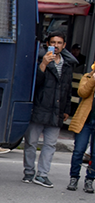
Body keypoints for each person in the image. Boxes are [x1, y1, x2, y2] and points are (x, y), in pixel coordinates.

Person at [23, 32, 77, 188]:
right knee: (31, 142)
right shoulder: (40, 59)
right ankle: (29, 171)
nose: (56, 45)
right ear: (48, 44)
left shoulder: (67, 64)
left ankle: (42, 174)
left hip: (56, 109)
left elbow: (67, 88)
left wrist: (67, 109)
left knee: (50, 145)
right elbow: (34, 84)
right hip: (40, 107)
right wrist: (43, 65)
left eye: (59, 43)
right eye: (53, 42)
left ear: (64, 45)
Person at [67, 61, 95, 193]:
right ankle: (74, 177)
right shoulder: (87, 77)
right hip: (86, 121)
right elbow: (82, 93)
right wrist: (93, 79)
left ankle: (90, 179)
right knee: (79, 150)